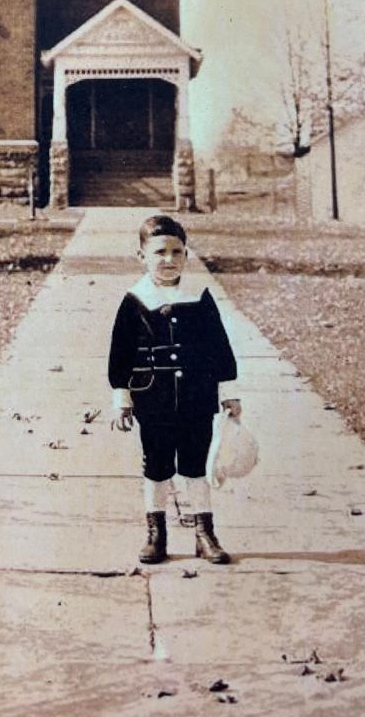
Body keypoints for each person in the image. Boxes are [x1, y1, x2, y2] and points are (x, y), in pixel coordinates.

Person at [108, 214, 240, 565]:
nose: (168, 259)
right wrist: (122, 399)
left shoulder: (199, 296)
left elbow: (219, 347)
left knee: (196, 465)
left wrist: (228, 391)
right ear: (142, 257)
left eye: (177, 251)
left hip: (197, 396)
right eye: (159, 252)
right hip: (154, 400)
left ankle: (204, 533)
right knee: (157, 466)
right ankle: (156, 533)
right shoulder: (134, 300)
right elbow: (119, 354)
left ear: (186, 255)